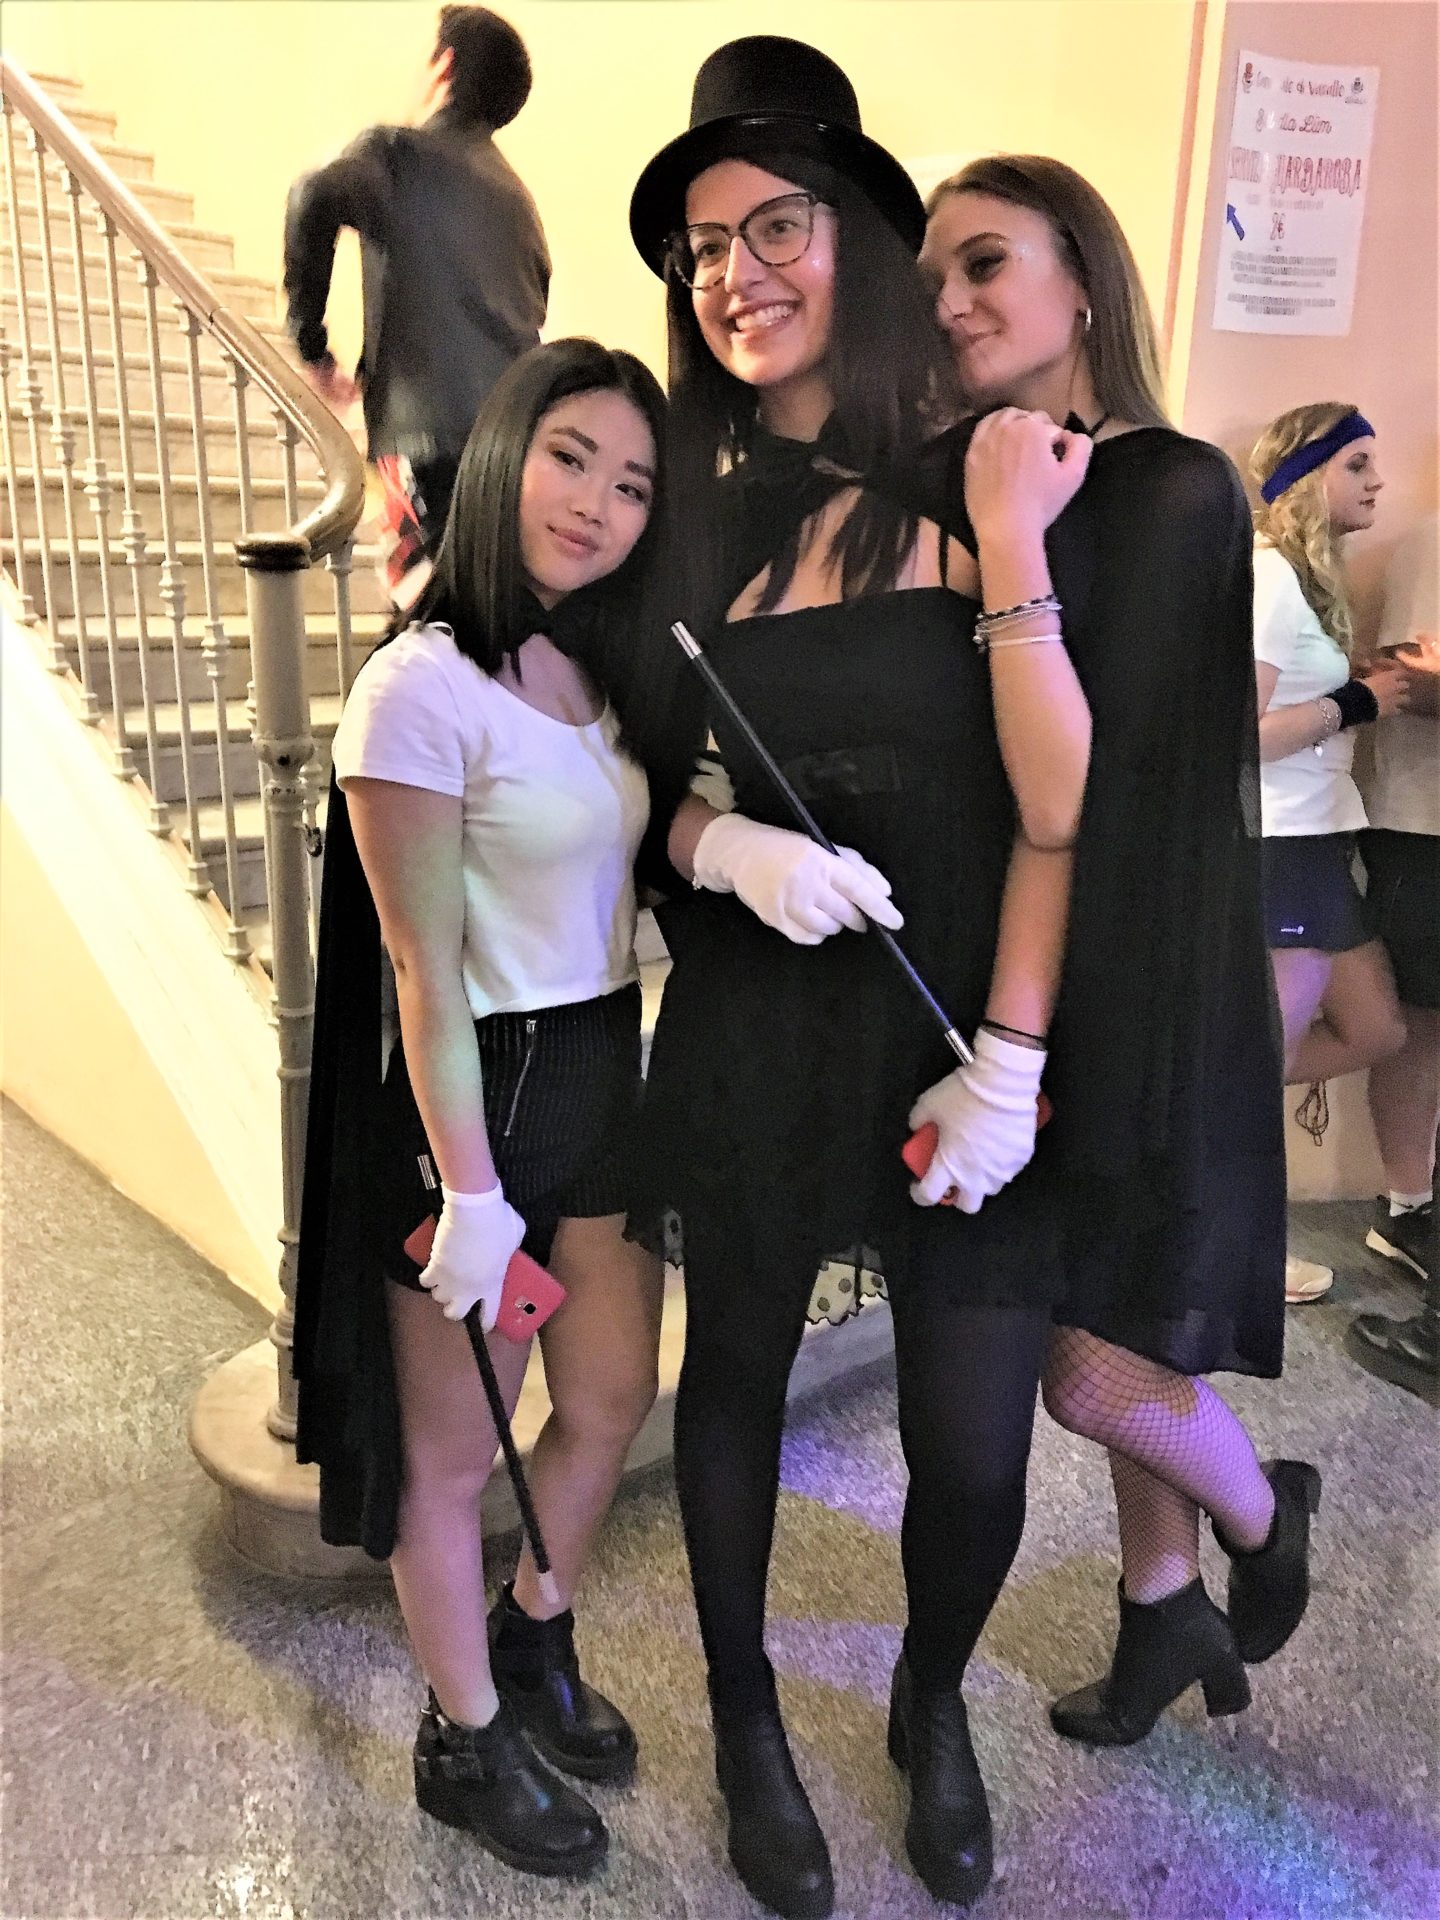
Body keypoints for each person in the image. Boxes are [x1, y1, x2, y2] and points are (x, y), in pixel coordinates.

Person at [626, 38, 1097, 1915]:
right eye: (700, 247)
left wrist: (1014, 1058)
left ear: (862, 243)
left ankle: (930, 1692)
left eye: (775, 226)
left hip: (958, 1030)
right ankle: (744, 1711)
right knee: (732, 1375)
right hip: (758, 1016)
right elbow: (627, 779)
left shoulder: (981, 479)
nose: (730, 272)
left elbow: (1062, 815)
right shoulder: (682, 512)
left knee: (974, 1441)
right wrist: (717, 845)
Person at [922, 158, 1320, 1758]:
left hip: (1143, 975)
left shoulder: (1169, 486)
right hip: (1036, 961)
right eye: (935, 279)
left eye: (985, 262)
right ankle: (1161, 1605)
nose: (951, 302)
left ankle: (1262, 1511)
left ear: (1083, 279)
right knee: (1117, 1312)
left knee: (1091, 1367)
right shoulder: (994, 475)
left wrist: (1008, 536)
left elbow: (1088, 794)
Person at [292, 338, 667, 1879]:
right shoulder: (416, 687)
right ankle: (462, 1736)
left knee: (610, 1399)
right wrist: (468, 1188)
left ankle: (534, 1629)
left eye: (632, 483)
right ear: (508, 453)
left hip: (603, 1076)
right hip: (483, 1105)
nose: (596, 503)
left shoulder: (601, 672)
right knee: (453, 1463)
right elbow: (421, 970)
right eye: (571, 458)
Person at [283, 5, 550, 602]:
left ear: (443, 67)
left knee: (425, 620)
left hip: (423, 441)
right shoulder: (520, 204)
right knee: (482, 618)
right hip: (511, 452)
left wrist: (311, 343)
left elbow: (313, 194)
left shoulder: (400, 153)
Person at [1248, 404, 1409, 1302]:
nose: (1377, 481)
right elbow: (1238, 734)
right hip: (1278, 846)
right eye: (1356, 464)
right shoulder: (1270, 577)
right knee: (1256, 1063)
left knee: (1377, 1027)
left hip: (1316, 841)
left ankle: (1194, 1100)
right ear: (1305, 478)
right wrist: (1357, 702)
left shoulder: (1303, 583)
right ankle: (1238, 1251)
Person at [1350, 513, 1440, 1400]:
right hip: (1424, 824)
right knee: (1410, 1025)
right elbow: (1408, 680)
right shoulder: (1433, 541)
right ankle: (1410, 1210)